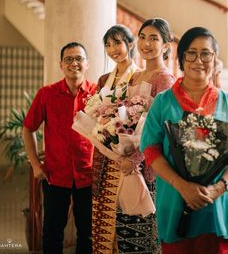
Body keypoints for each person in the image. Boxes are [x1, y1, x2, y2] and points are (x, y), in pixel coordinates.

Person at [140, 27, 228, 254]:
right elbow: (150, 150)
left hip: (217, 206)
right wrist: (183, 186)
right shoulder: (163, 102)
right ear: (181, 58)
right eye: (191, 53)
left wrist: (219, 188)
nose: (199, 60)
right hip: (174, 201)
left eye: (206, 54)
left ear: (214, 59)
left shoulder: (226, 103)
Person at [23, 42, 97, 254]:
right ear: (61, 64)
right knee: (53, 233)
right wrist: (35, 164)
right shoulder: (47, 94)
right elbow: (28, 129)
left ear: (87, 63)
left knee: (88, 233)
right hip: (55, 175)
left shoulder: (98, 94)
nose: (74, 63)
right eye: (69, 59)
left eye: (79, 59)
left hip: (88, 175)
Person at [116, 18, 175, 254]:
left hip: (148, 170)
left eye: (154, 38)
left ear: (166, 45)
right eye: (142, 37)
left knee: (147, 237)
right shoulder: (135, 76)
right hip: (127, 165)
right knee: (126, 234)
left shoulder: (165, 80)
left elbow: (161, 131)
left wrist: (134, 159)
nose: (146, 43)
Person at [92, 24, 139, 253]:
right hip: (104, 154)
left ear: (130, 44)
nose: (112, 49)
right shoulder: (103, 80)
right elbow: (95, 112)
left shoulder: (138, 77)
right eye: (108, 45)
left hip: (127, 156)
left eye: (117, 43)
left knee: (125, 215)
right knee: (103, 213)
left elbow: (139, 117)